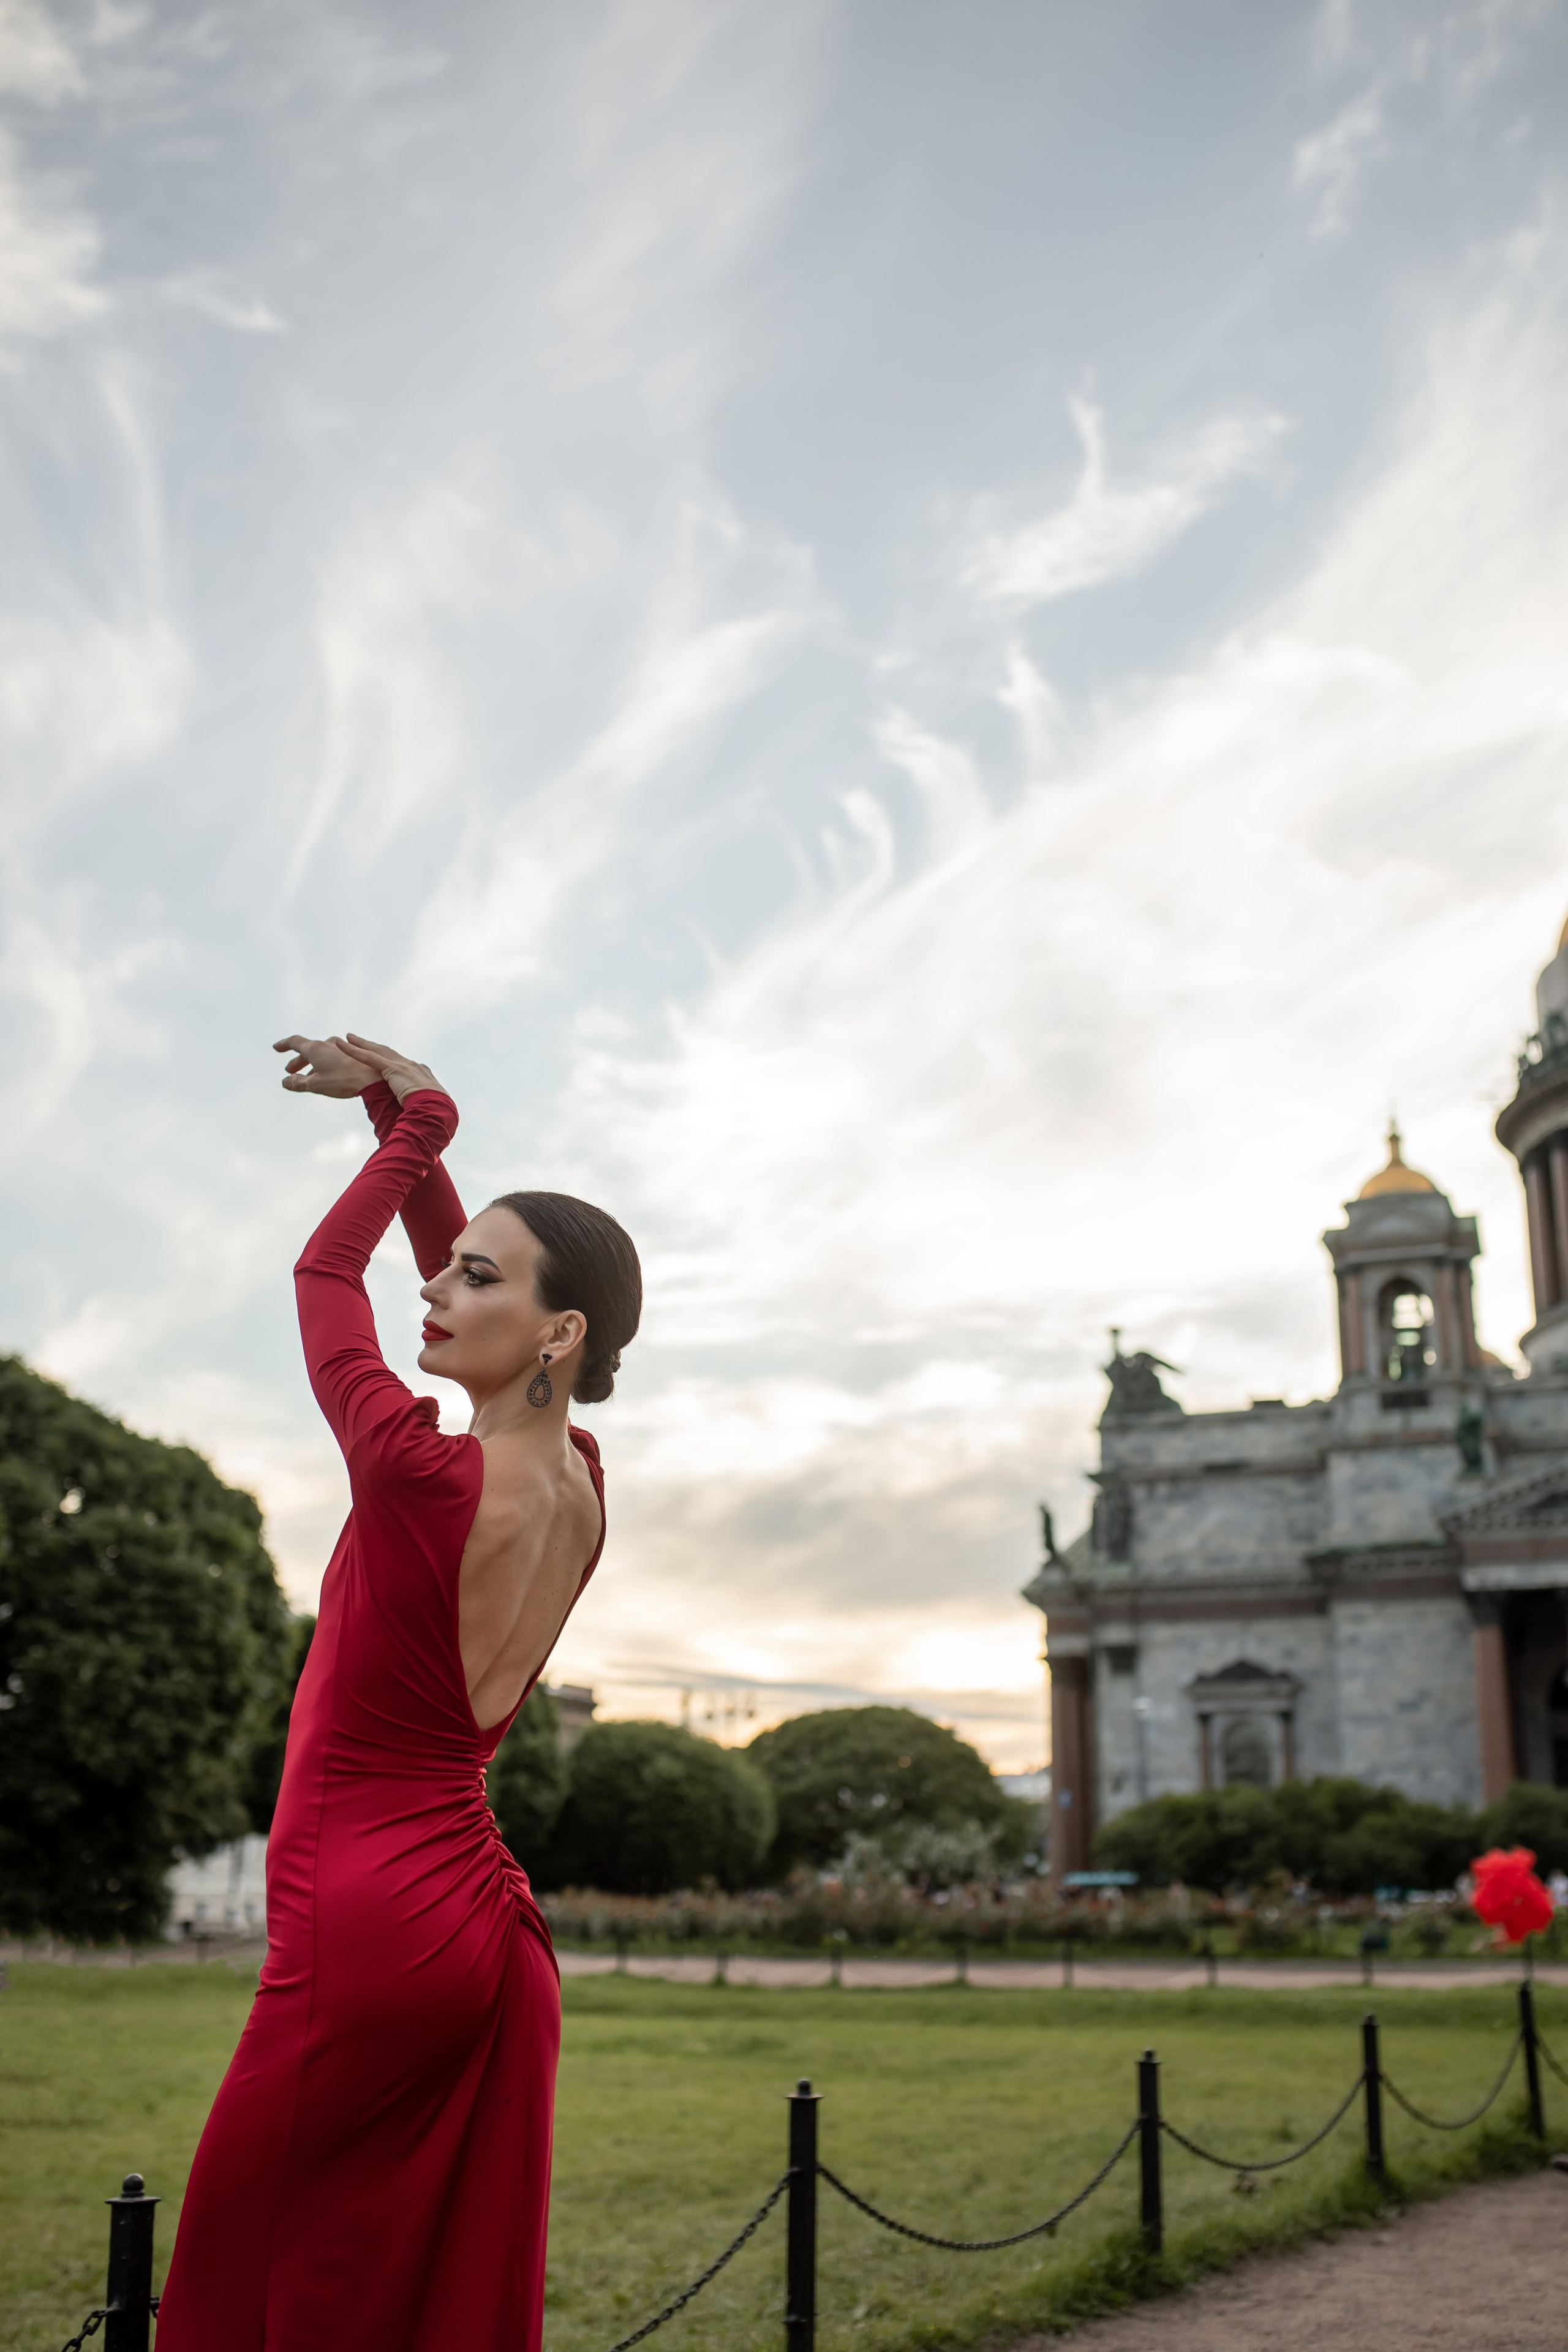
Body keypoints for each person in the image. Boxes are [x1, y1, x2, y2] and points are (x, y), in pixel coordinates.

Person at [157, 1031, 641, 2352]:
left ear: (557, 1332)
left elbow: (325, 1270)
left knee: (237, 2278)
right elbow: (474, 1275)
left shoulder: (413, 1472)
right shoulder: (583, 1485)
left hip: (369, 1924)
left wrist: (420, 1125)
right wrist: (398, 1107)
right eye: (441, 1268)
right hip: (483, 1927)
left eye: (469, 1280)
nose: (433, 1290)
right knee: (413, 2289)